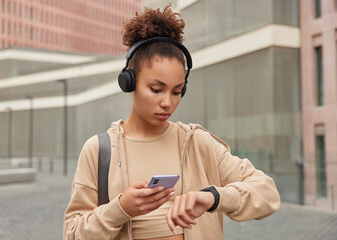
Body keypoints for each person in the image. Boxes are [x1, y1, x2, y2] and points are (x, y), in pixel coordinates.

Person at [64, 5, 280, 240]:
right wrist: (120, 209)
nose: (167, 102)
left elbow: (267, 193)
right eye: (156, 89)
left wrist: (213, 197)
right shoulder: (98, 150)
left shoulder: (197, 143)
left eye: (177, 91)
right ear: (129, 82)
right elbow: (73, 234)